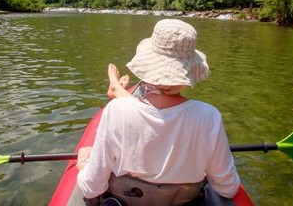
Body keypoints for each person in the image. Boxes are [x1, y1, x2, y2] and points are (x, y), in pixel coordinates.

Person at [75, 19, 240, 205]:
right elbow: (228, 188)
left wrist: (83, 163)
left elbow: (92, 188)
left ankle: (115, 87)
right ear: (189, 70)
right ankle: (116, 87)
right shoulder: (209, 117)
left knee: (86, 153)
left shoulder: (116, 111)